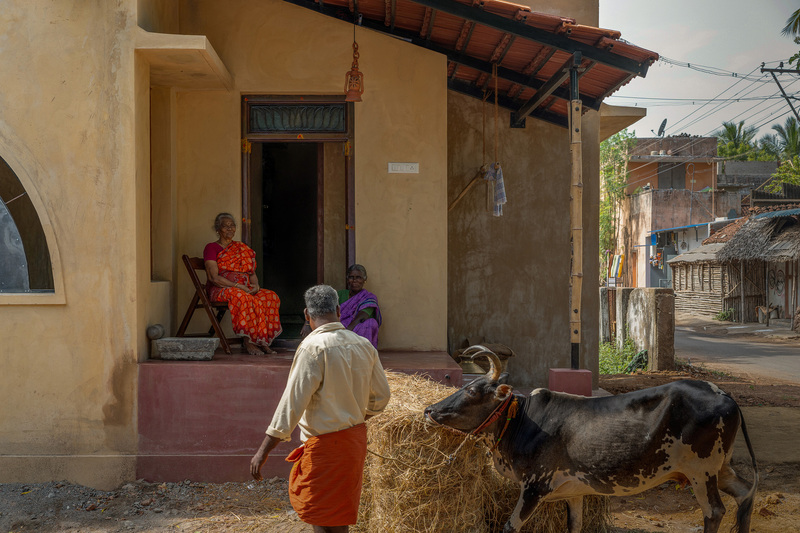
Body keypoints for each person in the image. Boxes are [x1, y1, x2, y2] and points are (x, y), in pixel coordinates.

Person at [250, 285, 391, 533]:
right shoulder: (363, 345)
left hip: (324, 446)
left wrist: (262, 452)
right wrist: (353, 415)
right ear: (338, 310)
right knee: (340, 516)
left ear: (307, 314)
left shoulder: (312, 348)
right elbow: (381, 397)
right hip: (353, 443)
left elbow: (291, 405)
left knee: (322, 516)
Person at [204, 212, 282, 355]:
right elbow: (214, 277)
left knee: (270, 296)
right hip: (221, 289)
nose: (230, 228)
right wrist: (238, 286)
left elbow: (251, 273)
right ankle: (248, 342)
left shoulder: (241, 248)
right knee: (243, 297)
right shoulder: (211, 248)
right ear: (218, 229)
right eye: (225, 226)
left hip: (244, 288)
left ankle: (262, 341)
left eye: (232, 225)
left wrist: (256, 286)